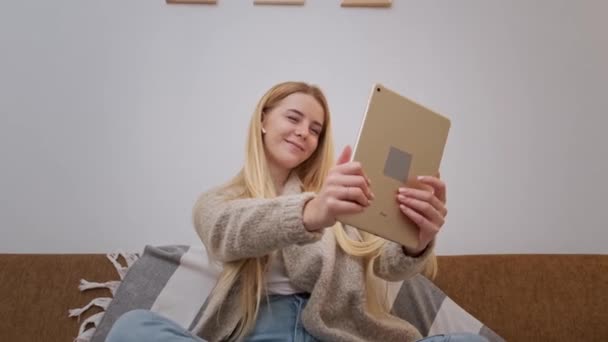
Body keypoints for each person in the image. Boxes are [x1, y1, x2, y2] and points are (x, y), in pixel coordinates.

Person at [106, 81, 486, 342]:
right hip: (258, 333)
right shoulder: (219, 202)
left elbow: (385, 264)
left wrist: (414, 243)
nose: (305, 132)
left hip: (337, 335)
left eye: (316, 128)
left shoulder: (335, 201)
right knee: (132, 328)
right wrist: (310, 214)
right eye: (293, 118)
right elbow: (226, 232)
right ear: (263, 121)